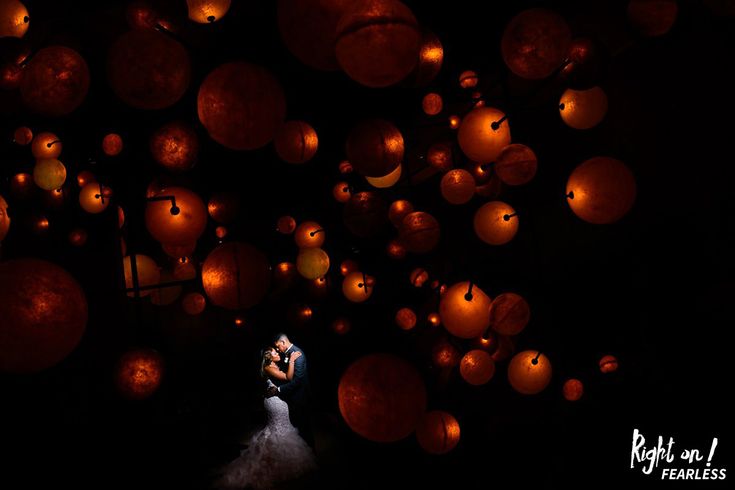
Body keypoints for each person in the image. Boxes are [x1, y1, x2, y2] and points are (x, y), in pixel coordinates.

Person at [213, 347, 317, 489]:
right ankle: (272, 461)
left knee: (283, 427)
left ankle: (281, 460)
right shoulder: (268, 367)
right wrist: (292, 360)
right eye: (274, 352)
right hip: (274, 403)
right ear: (268, 356)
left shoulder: (275, 365)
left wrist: (288, 361)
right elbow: (289, 377)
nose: (278, 352)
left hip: (279, 401)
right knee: (277, 430)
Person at [267, 333, 314, 448]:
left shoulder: (298, 354)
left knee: (304, 429)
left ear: (283, 342)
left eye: (278, 346)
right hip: (292, 398)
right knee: (296, 429)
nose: (278, 349)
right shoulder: (286, 354)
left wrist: (278, 389)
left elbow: (297, 381)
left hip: (300, 397)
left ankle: (311, 455)